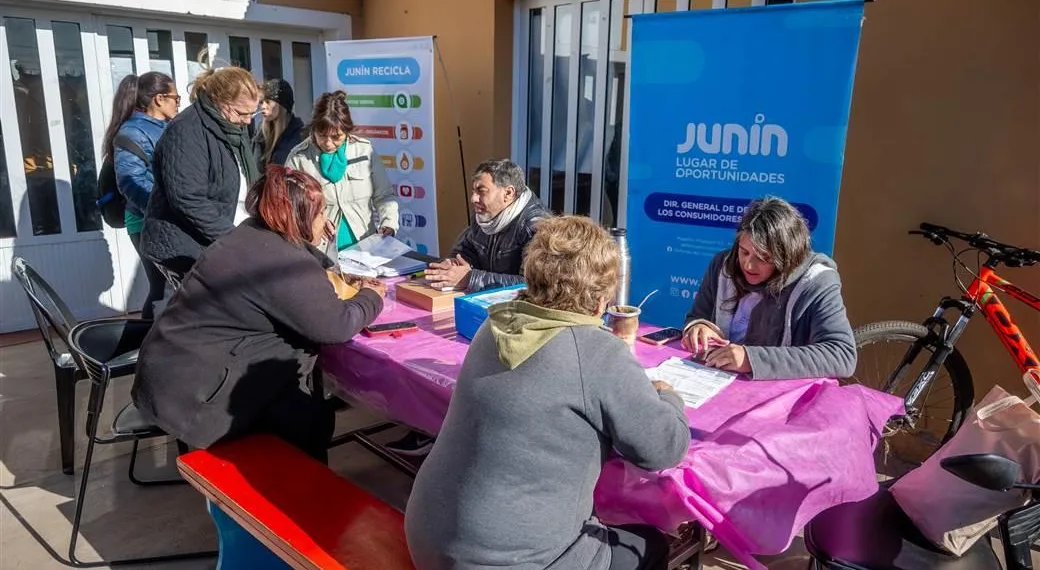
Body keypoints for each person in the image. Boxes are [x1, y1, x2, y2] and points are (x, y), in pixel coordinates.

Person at [405, 216, 689, 570]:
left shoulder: (495, 325)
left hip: (427, 538)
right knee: (650, 546)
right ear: (602, 297)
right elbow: (663, 448)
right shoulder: (596, 351)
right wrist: (668, 397)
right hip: (512, 561)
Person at [131, 166, 386, 462]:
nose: (325, 222)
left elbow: (297, 275)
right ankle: (298, 495)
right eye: (319, 213)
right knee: (309, 419)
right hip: (197, 398)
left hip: (173, 377)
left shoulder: (250, 234)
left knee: (306, 409)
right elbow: (337, 325)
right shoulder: (284, 263)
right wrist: (372, 297)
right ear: (298, 217)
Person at [682, 196, 857, 380]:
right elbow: (696, 316)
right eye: (744, 252)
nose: (748, 265)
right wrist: (698, 327)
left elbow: (842, 355)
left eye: (763, 257)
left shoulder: (817, 282)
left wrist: (752, 359)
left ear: (787, 256)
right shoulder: (723, 265)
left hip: (781, 396)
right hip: (715, 383)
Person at [140, 66, 262, 277]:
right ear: (219, 101)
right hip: (184, 248)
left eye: (253, 113)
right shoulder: (186, 130)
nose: (248, 120)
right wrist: (233, 238)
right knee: (184, 309)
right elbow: (187, 198)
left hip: (223, 240)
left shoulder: (233, 127)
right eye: (242, 113)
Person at [101, 71, 179, 319]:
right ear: (159, 99)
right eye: (175, 98)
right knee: (163, 289)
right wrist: (164, 210)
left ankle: (151, 345)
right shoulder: (134, 131)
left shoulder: (160, 127)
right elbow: (131, 182)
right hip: (147, 221)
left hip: (159, 219)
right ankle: (147, 347)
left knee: (167, 288)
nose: (179, 103)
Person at [287, 90, 398, 259]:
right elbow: (289, 207)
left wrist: (389, 223)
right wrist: (314, 222)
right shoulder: (298, 158)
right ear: (313, 128)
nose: (329, 143)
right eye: (322, 135)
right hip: (320, 252)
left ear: (347, 131)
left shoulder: (364, 151)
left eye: (336, 137)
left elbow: (384, 195)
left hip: (364, 248)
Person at [426, 159, 550, 293]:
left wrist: (469, 278)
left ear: (508, 193)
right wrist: (452, 265)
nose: (474, 199)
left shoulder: (536, 226)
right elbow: (466, 251)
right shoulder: (483, 215)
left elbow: (533, 284)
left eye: (481, 191)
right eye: (473, 191)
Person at [256, 78, 306, 169]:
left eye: (268, 102)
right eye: (261, 102)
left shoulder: (299, 135)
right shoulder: (260, 133)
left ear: (282, 106)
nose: (263, 107)